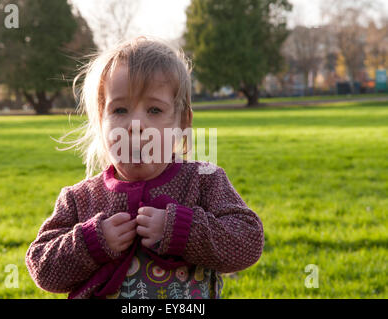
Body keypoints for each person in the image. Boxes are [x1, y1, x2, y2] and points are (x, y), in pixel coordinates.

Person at [25, 36, 264, 299]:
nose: (135, 124)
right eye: (120, 110)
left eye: (154, 109)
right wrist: (92, 242)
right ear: (100, 121)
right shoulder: (80, 199)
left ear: (182, 122)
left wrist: (182, 230)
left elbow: (248, 242)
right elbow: (42, 268)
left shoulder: (204, 181)